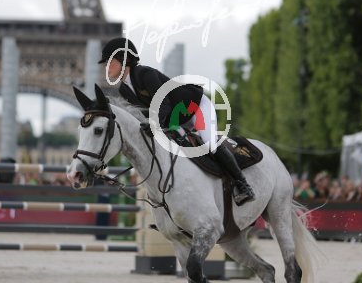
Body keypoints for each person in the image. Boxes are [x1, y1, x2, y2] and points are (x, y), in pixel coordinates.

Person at [97, 37, 255, 206]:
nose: (106, 67)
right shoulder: (124, 89)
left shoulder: (145, 74)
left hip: (195, 108)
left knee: (209, 143)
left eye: (110, 62)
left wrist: (155, 125)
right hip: (174, 118)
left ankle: (242, 184)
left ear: (125, 60)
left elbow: (164, 103)